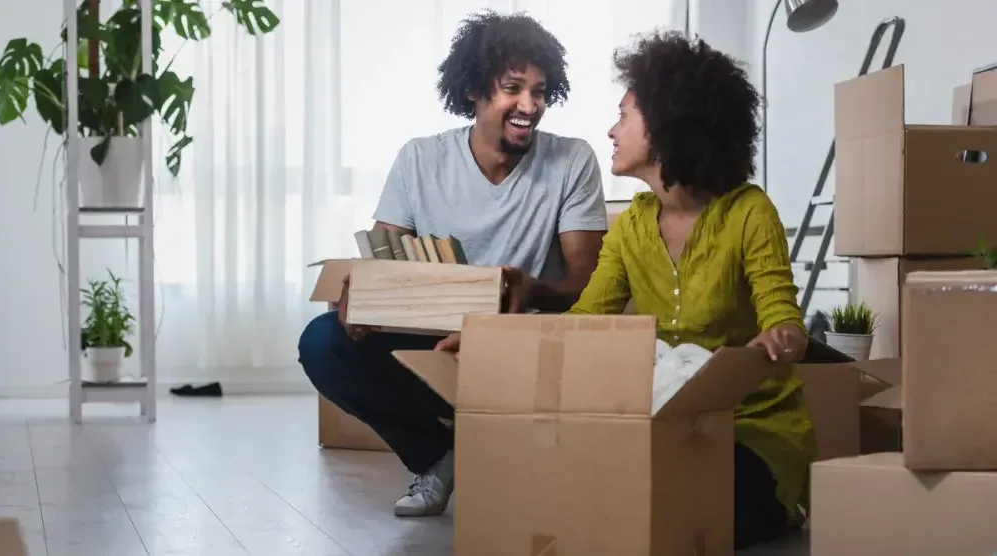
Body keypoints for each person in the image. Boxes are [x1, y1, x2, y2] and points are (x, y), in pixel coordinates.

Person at [436, 31, 816, 549]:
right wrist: (493, 342)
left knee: (680, 513)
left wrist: (783, 339)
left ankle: (782, 504)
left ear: (664, 127)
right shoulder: (635, 223)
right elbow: (585, 318)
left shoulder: (749, 212)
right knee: (607, 499)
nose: (612, 131)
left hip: (748, 428)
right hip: (662, 426)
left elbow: (781, 316)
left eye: (624, 115)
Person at [297, 10, 608, 518]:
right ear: (472, 89)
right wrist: (359, 296)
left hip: (520, 338)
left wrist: (528, 289)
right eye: (512, 88)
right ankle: (439, 458)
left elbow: (585, 283)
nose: (529, 105)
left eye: (540, 91)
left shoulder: (572, 160)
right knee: (323, 340)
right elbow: (380, 257)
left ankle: (494, 448)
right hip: (434, 338)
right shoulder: (421, 159)